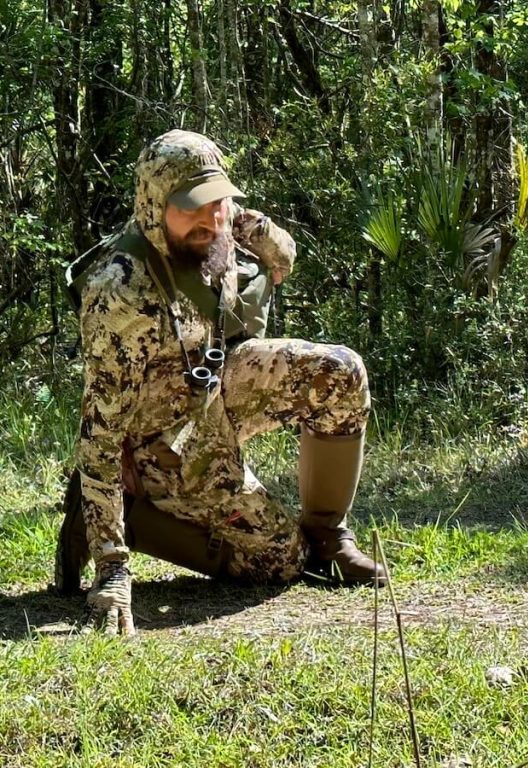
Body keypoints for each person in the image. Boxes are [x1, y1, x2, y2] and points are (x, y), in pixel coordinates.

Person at [57, 129, 386, 636]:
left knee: (339, 373)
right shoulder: (118, 293)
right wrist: (112, 571)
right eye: (192, 208)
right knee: (279, 563)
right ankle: (132, 520)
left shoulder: (222, 223)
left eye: (218, 201)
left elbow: (285, 257)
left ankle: (328, 535)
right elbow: (100, 435)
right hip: (158, 443)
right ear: (152, 207)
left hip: (212, 389)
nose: (210, 220)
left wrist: (255, 228)